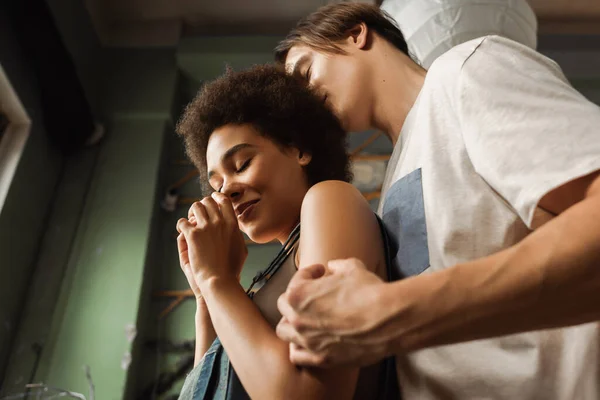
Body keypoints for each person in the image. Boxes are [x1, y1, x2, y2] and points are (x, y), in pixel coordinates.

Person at [274, 3, 600, 399]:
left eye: (305, 72)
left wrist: (389, 311)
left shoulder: (464, 71)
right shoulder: (388, 187)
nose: (305, 103)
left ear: (355, 33)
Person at [174, 64, 397, 400]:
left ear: (299, 149)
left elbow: (308, 393)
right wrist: (206, 296)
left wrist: (216, 282)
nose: (226, 192)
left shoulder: (329, 199)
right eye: (216, 184)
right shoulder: (257, 283)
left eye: (242, 164)